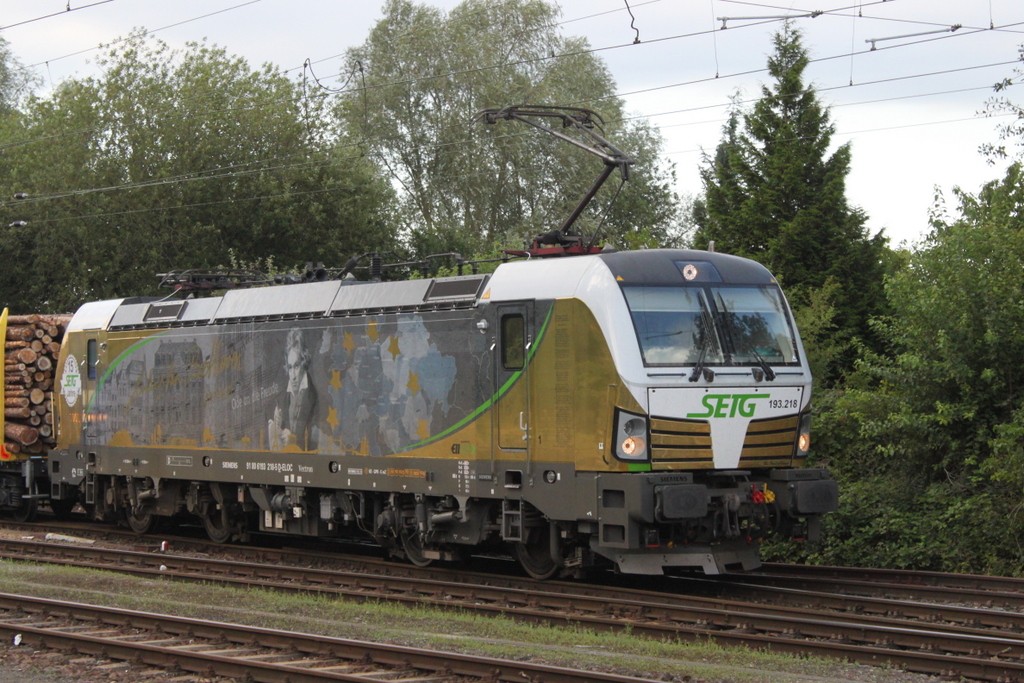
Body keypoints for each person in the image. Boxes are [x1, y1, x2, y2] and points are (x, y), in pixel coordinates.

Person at [270, 328, 318, 450]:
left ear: (304, 362)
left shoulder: (315, 395)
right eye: (290, 368)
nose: (293, 375)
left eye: (296, 366)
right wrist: (278, 424)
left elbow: (317, 439)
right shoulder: (282, 397)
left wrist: (294, 440)